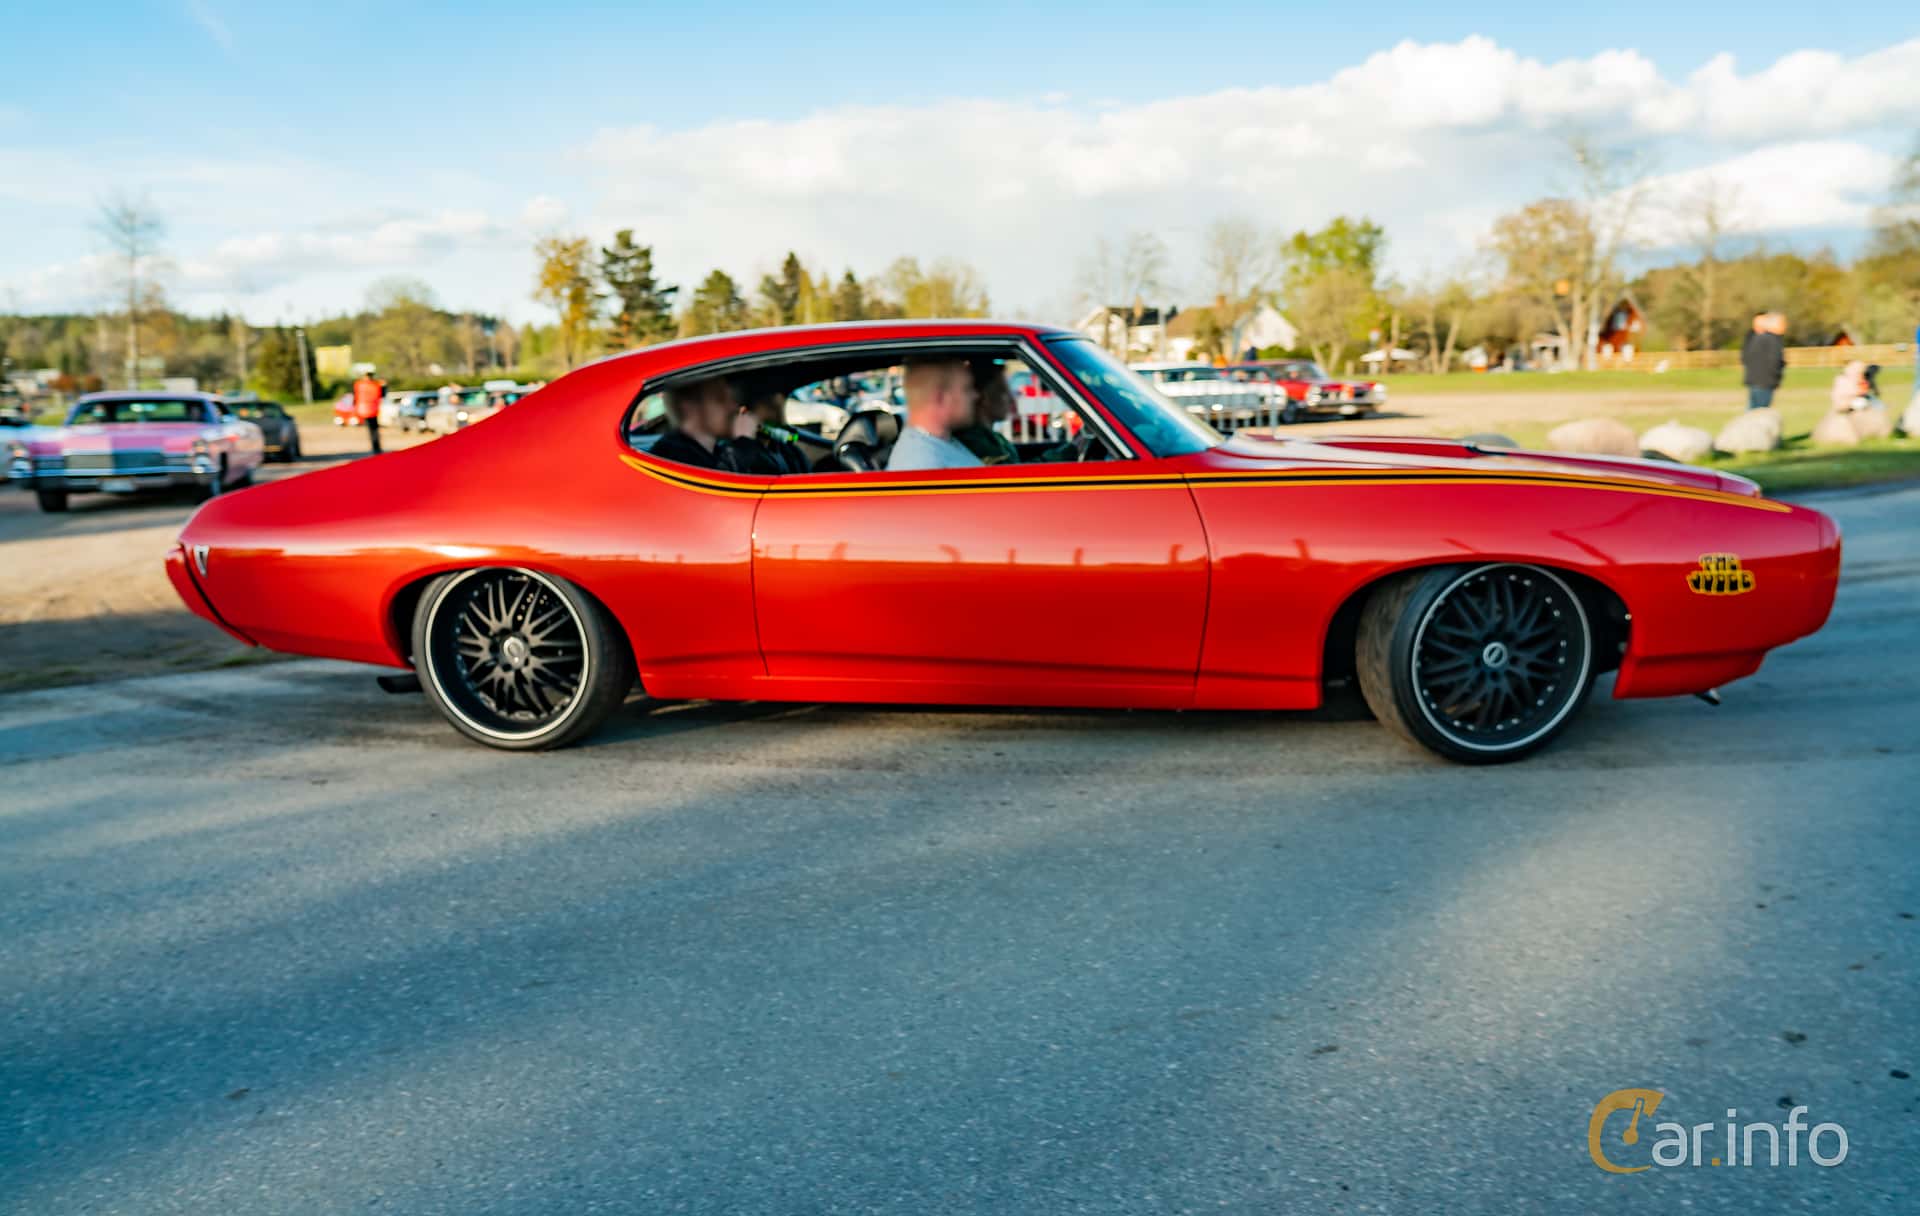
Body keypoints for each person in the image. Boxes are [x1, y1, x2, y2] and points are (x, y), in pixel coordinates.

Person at [650, 378, 778, 474]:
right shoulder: (673, 457)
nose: (733, 406)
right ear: (690, 406)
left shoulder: (714, 450)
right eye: (720, 399)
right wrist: (744, 444)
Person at [885, 358, 982, 471]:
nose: (976, 395)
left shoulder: (938, 443)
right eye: (966, 389)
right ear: (940, 398)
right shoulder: (919, 463)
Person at [952, 359, 1019, 465]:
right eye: (1004, 392)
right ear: (984, 398)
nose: (1011, 399)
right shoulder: (977, 443)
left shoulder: (992, 438)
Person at [741, 387, 811, 474]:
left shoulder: (789, 451)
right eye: (771, 408)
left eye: (781, 409)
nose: (780, 419)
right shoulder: (739, 456)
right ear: (746, 413)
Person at [1740, 311, 1785, 410]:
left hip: (1755, 381)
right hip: (1765, 382)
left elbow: (1745, 357)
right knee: (1760, 412)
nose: (1784, 326)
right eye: (1782, 323)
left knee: (1752, 411)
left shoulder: (1756, 338)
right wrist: (1775, 377)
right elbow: (1775, 361)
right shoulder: (1773, 340)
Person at [351, 370, 385, 453]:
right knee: (374, 429)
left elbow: (355, 397)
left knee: (372, 430)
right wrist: (384, 386)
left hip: (365, 410)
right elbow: (382, 395)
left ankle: (375, 447)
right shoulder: (376, 384)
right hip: (373, 410)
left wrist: (355, 408)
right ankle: (376, 447)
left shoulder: (359, 384)